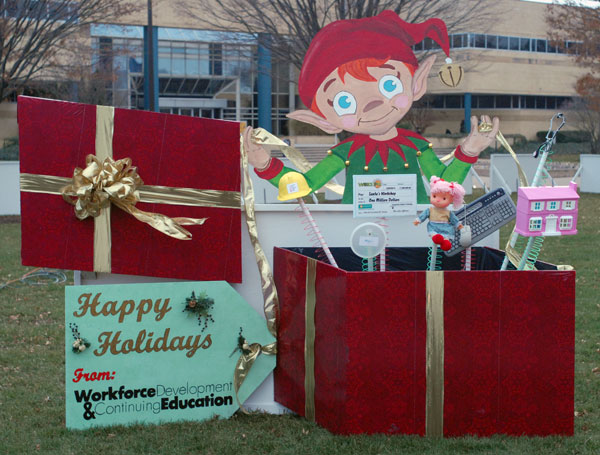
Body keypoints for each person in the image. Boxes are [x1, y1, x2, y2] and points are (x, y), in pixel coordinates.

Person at [244, 10, 499, 204]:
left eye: (389, 84)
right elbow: (305, 185)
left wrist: (469, 151)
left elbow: (444, 186)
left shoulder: (416, 146)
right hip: (357, 236)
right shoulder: (346, 151)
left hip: (413, 232)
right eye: (345, 102)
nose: (371, 104)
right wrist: (265, 165)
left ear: (417, 84)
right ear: (324, 121)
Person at [413, 176, 465, 251]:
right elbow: (424, 215)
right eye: (434, 196)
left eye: (444, 198)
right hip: (433, 228)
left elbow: (454, 219)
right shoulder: (430, 210)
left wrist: (458, 225)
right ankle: (437, 238)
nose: (438, 200)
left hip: (446, 228)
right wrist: (419, 220)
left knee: (446, 237)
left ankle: (446, 241)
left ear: (451, 200)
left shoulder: (448, 212)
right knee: (434, 235)